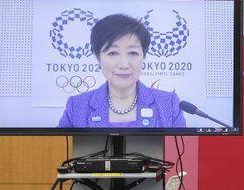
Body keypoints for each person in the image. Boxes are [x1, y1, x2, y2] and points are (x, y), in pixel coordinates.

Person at [58, 14, 186, 128]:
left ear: (144, 56)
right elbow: (62, 152)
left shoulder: (168, 103)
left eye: (133, 53)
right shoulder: (77, 106)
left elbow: (179, 153)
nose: (124, 64)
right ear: (98, 57)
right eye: (113, 53)